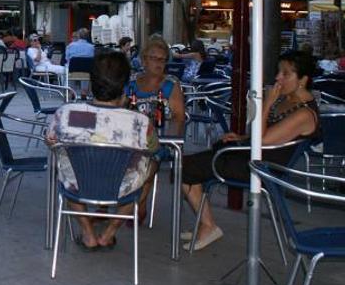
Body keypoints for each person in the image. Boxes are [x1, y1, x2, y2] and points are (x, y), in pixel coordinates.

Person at [181, 51, 320, 251]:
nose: (278, 78)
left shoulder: (304, 113)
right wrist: (242, 138)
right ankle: (204, 221)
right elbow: (271, 135)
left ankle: (208, 225)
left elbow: (263, 139)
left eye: (286, 74)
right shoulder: (288, 100)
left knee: (187, 167)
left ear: (303, 80)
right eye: (279, 72)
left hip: (264, 168)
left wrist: (267, 103)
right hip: (256, 156)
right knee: (211, 152)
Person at [44, 51, 155, 250]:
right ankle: (109, 232)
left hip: (77, 186)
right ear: (124, 85)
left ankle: (87, 232)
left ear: (92, 82)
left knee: (64, 171)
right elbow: (153, 148)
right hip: (122, 189)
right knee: (150, 166)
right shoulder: (140, 122)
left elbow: (51, 142)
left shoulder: (65, 113)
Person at [125, 37, 186, 223]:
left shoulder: (170, 85)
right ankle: (109, 205)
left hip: (160, 141)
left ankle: (134, 205)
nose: (159, 63)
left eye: (163, 59)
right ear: (144, 60)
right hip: (131, 139)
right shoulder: (131, 82)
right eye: (154, 58)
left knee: (150, 160)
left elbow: (179, 118)